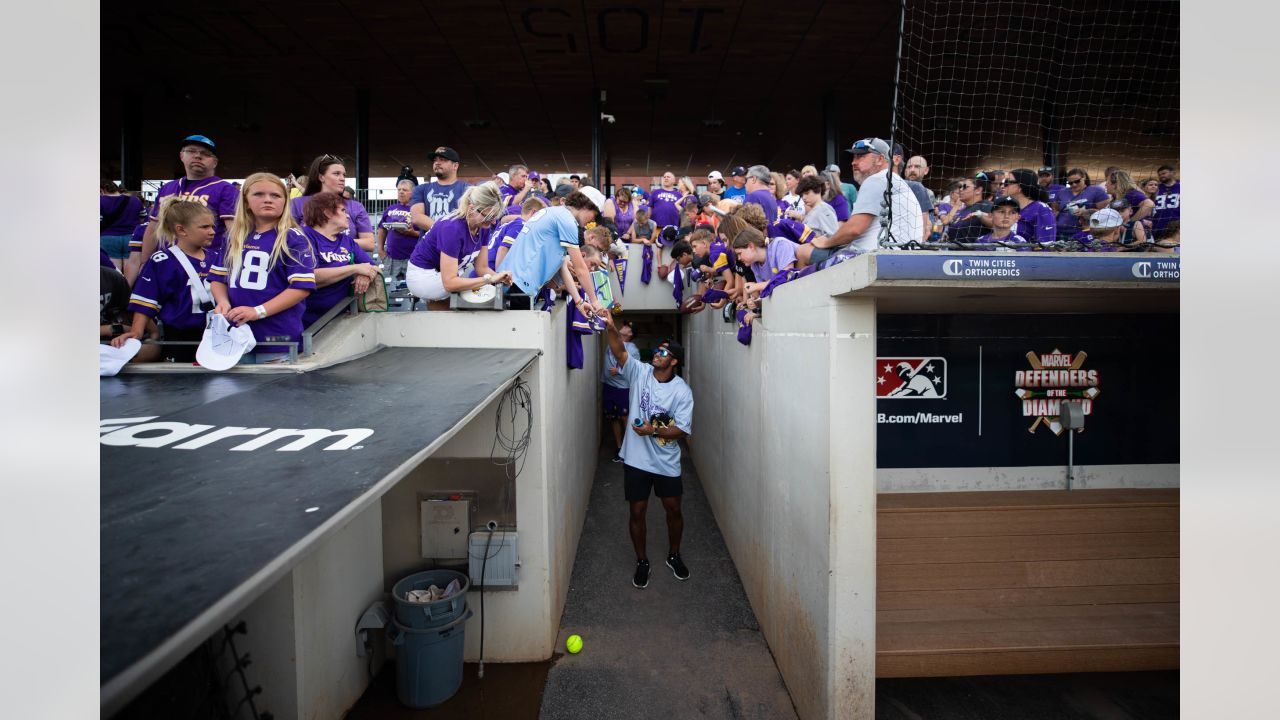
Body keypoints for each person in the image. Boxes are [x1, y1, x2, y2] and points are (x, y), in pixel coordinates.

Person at [601, 312, 694, 588]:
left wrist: (652, 430)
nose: (657, 353)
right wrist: (610, 328)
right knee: (637, 512)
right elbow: (619, 350)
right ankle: (642, 561)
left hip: (666, 462)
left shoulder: (682, 391)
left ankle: (674, 555)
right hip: (637, 461)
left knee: (673, 509)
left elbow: (682, 430)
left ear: (673, 361)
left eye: (663, 352)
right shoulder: (639, 372)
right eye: (657, 350)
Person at [209, 172, 316, 361]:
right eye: (258, 194)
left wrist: (257, 311)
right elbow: (219, 278)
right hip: (235, 335)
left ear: (285, 201)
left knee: (270, 389)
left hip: (276, 337)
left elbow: (301, 288)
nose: (268, 200)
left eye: (275, 195)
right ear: (246, 201)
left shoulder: (293, 238)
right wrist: (222, 302)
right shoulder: (233, 237)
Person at [116, 199, 219, 362]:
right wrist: (137, 332)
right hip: (180, 337)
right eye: (205, 227)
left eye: (213, 226)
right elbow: (146, 301)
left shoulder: (217, 257)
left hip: (216, 335)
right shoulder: (162, 260)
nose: (212, 231)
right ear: (181, 230)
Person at [127, 134, 239, 284]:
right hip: (166, 262)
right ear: (182, 156)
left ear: (215, 162)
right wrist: (145, 263)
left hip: (205, 266)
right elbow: (153, 227)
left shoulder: (225, 189)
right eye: (191, 151)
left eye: (205, 154)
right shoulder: (168, 188)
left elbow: (234, 231)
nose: (198, 156)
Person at [796, 138, 922, 266]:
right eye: (854, 157)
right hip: (900, 255)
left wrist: (826, 242)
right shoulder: (891, 179)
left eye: (861, 157)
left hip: (874, 256)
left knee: (802, 251)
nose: (853, 163)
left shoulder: (876, 180)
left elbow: (854, 229)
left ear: (880, 159)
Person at [497, 187, 608, 316]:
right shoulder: (567, 221)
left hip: (513, 282)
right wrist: (595, 301)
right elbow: (580, 268)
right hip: (519, 285)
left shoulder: (555, 213)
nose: (592, 221)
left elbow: (562, 266)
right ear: (586, 205)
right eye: (594, 215)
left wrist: (579, 302)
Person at [406, 182, 511, 309]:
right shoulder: (452, 228)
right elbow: (450, 283)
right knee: (477, 294)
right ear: (471, 208)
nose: (493, 221)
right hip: (423, 276)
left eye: (495, 216)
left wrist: (500, 277)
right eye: (488, 216)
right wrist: (489, 280)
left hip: (445, 275)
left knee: (482, 290)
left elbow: (482, 268)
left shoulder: (483, 226)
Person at [300, 191, 380, 327]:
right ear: (328, 213)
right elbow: (308, 277)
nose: (348, 215)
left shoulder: (347, 241)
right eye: (343, 210)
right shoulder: (303, 237)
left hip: (340, 318)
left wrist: (364, 275)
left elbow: (373, 267)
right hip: (307, 321)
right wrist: (355, 268)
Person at [289, 154, 376, 253]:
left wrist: (334, 241)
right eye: (336, 173)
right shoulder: (297, 203)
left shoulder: (355, 206)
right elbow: (287, 238)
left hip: (349, 265)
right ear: (321, 177)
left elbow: (369, 244)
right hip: (309, 264)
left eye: (344, 174)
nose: (342, 178)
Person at [602, 321, 641, 460]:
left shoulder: (632, 348)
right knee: (613, 418)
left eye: (627, 327)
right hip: (608, 386)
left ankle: (629, 448)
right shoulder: (613, 341)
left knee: (625, 418)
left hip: (622, 388)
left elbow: (636, 368)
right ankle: (619, 448)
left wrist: (619, 371)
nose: (623, 327)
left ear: (630, 333)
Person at [410, 146, 470, 233]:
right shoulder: (421, 189)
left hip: (456, 245)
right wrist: (444, 232)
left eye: (442, 160)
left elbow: (472, 219)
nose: (437, 163)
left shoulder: (468, 190)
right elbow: (417, 217)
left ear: (455, 166)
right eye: (435, 160)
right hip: (428, 246)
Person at [489, 196, 548, 271]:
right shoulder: (521, 225)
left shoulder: (515, 222)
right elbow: (503, 249)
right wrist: (500, 276)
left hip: (486, 271)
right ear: (533, 212)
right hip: (489, 272)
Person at [377, 179, 419, 282]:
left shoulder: (418, 209)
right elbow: (382, 229)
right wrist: (380, 250)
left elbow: (427, 233)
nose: (401, 192)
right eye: (399, 189)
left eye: (404, 190)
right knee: (392, 291)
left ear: (412, 192)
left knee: (413, 291)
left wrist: (413, 233)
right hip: (391, 259)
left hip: (413, 259)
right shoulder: (390, 208)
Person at [1002, 169, 1058, 244]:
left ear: (1020, 186)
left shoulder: (1041, 209)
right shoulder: (1008, 208)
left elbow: (1046, 245)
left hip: (1028, 255)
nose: (1003, 186)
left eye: (1007, 182)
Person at [1053, 168, 1110, 241]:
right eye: (1070, 183)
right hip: (1061, 233)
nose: (1074, 184)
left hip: (1084, 233)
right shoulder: (1062, 192)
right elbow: (1055, 209)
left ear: (1084, 178)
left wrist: (1086, 212)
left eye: (1077, 181)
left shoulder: (1096, 191)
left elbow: (1106, 212)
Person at [100, 180, 143, 271]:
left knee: (115, 272)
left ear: (101, 190)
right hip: (132, 238)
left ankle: (117, 285)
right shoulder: (134, 200)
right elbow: (143, 218)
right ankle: (128, 285)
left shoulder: (100, 201)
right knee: (132, 268)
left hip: (109, 239)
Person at [940, 173, 995, 243]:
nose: (960, 189)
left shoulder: (986, 205)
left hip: (974, 252)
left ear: (978, 190)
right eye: (960, 187)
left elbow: (998, 225)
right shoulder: (963, 209)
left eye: (965, 187)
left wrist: (980, 215)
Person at [1152, 164, 1180, 236]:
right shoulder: (1156, 188)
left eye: (1164, 173)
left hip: (1176, 226)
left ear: (1172, 173)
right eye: (1159, 175)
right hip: (1157, 226)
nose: (1161, 176)